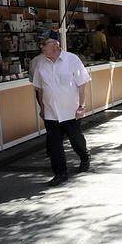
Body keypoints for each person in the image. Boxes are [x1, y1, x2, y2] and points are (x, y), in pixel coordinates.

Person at [32, 38, 92, 187]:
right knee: (54, 145)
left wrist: (82, 106)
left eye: (44, 46)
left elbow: (82, 84)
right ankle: (60, 173)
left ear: (55, 47)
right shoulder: (40, 64)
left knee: (75, 139)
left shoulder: (72, 60)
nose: (42, 48)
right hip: (51, 113)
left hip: (71, 111)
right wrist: (42, 108)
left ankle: (84, 157)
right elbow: (39, 89)